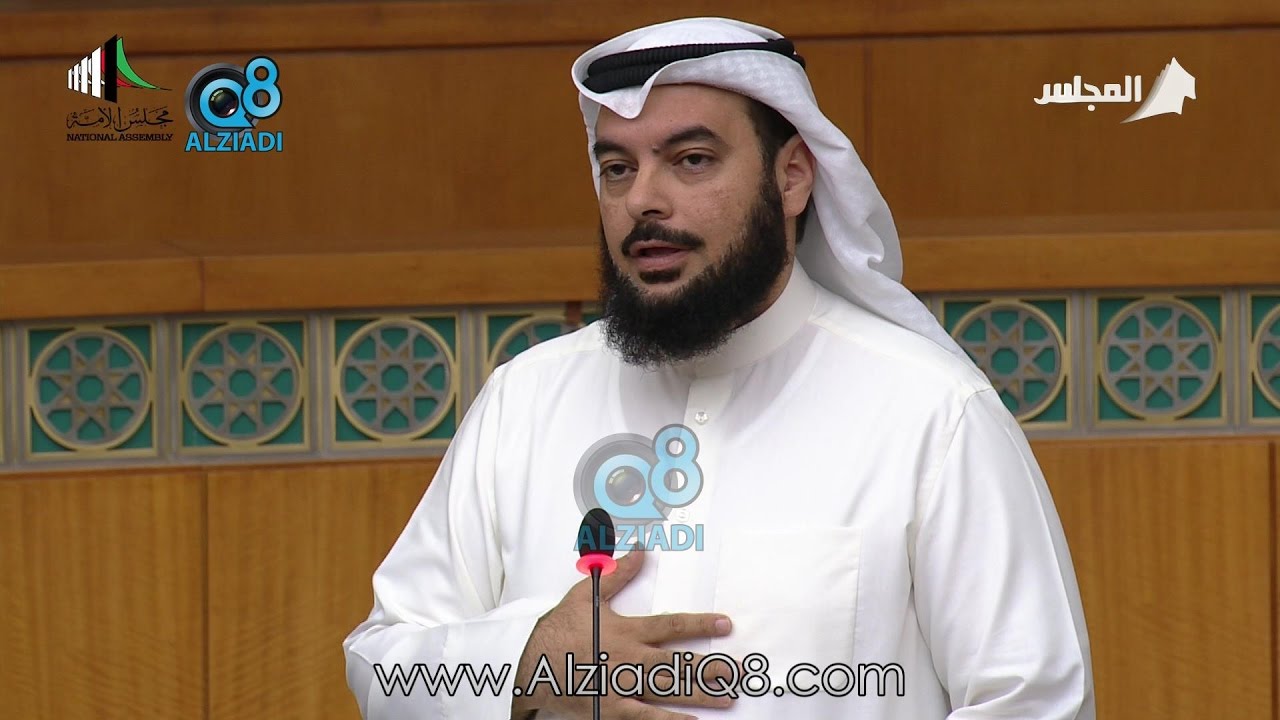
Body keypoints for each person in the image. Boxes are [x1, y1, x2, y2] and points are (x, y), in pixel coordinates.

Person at [343, 16, 1095, 720]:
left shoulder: (930, 412)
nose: (643, 199)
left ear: (792, 178)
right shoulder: (526, 400)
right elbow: (383, 663)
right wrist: (526, 662)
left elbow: (1035, 700)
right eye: (617, 168)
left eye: (691, 160)